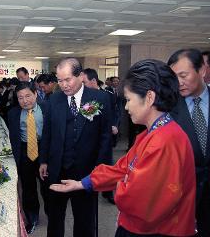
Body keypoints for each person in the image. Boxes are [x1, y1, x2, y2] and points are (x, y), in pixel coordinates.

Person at [50, 59, 196, 237]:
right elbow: (122, 169)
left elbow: (139, 199)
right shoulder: (151, 135)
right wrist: (82, 184)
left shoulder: (164, 142)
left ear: (149, 98)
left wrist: (124, 183)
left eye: (128, 99)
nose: (126, 107)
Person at [39, 57, 112, 237]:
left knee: (85, 219)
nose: (63, 85)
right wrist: (43, 161)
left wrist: (100, 168)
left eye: (67, 79)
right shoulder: (53, 100)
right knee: (55, 218)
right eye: (59, 80)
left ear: (80, 76)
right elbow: (47, 133)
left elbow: (105, 136)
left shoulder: (99, 98)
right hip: (57, 169)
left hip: (86, 171)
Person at [168, 48, 210, 237]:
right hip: (181, 196)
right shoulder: (167, 108)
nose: (179, 83)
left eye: (183, 75)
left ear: (201, 71)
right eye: (174, 77)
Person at [7, 82, 48, 234]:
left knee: (47, 186)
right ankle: (32, 218)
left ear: (36, 94)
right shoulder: (13, 113)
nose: (25, 101)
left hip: (44, 151)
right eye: (20, 98)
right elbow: (13, 137)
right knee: (29, 188)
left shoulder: (47, 109)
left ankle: (52, 212)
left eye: (28, 96)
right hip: (25, 152)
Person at [82, 68, 117, 204]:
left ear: (93, 81)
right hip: (91, 141)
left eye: (84, 82)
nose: (82, 86)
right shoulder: (85, 98)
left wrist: (115, 125)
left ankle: (108, 191)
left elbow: (115, 112)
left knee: (106, 165)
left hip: (105, 138)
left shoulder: (106, 95)